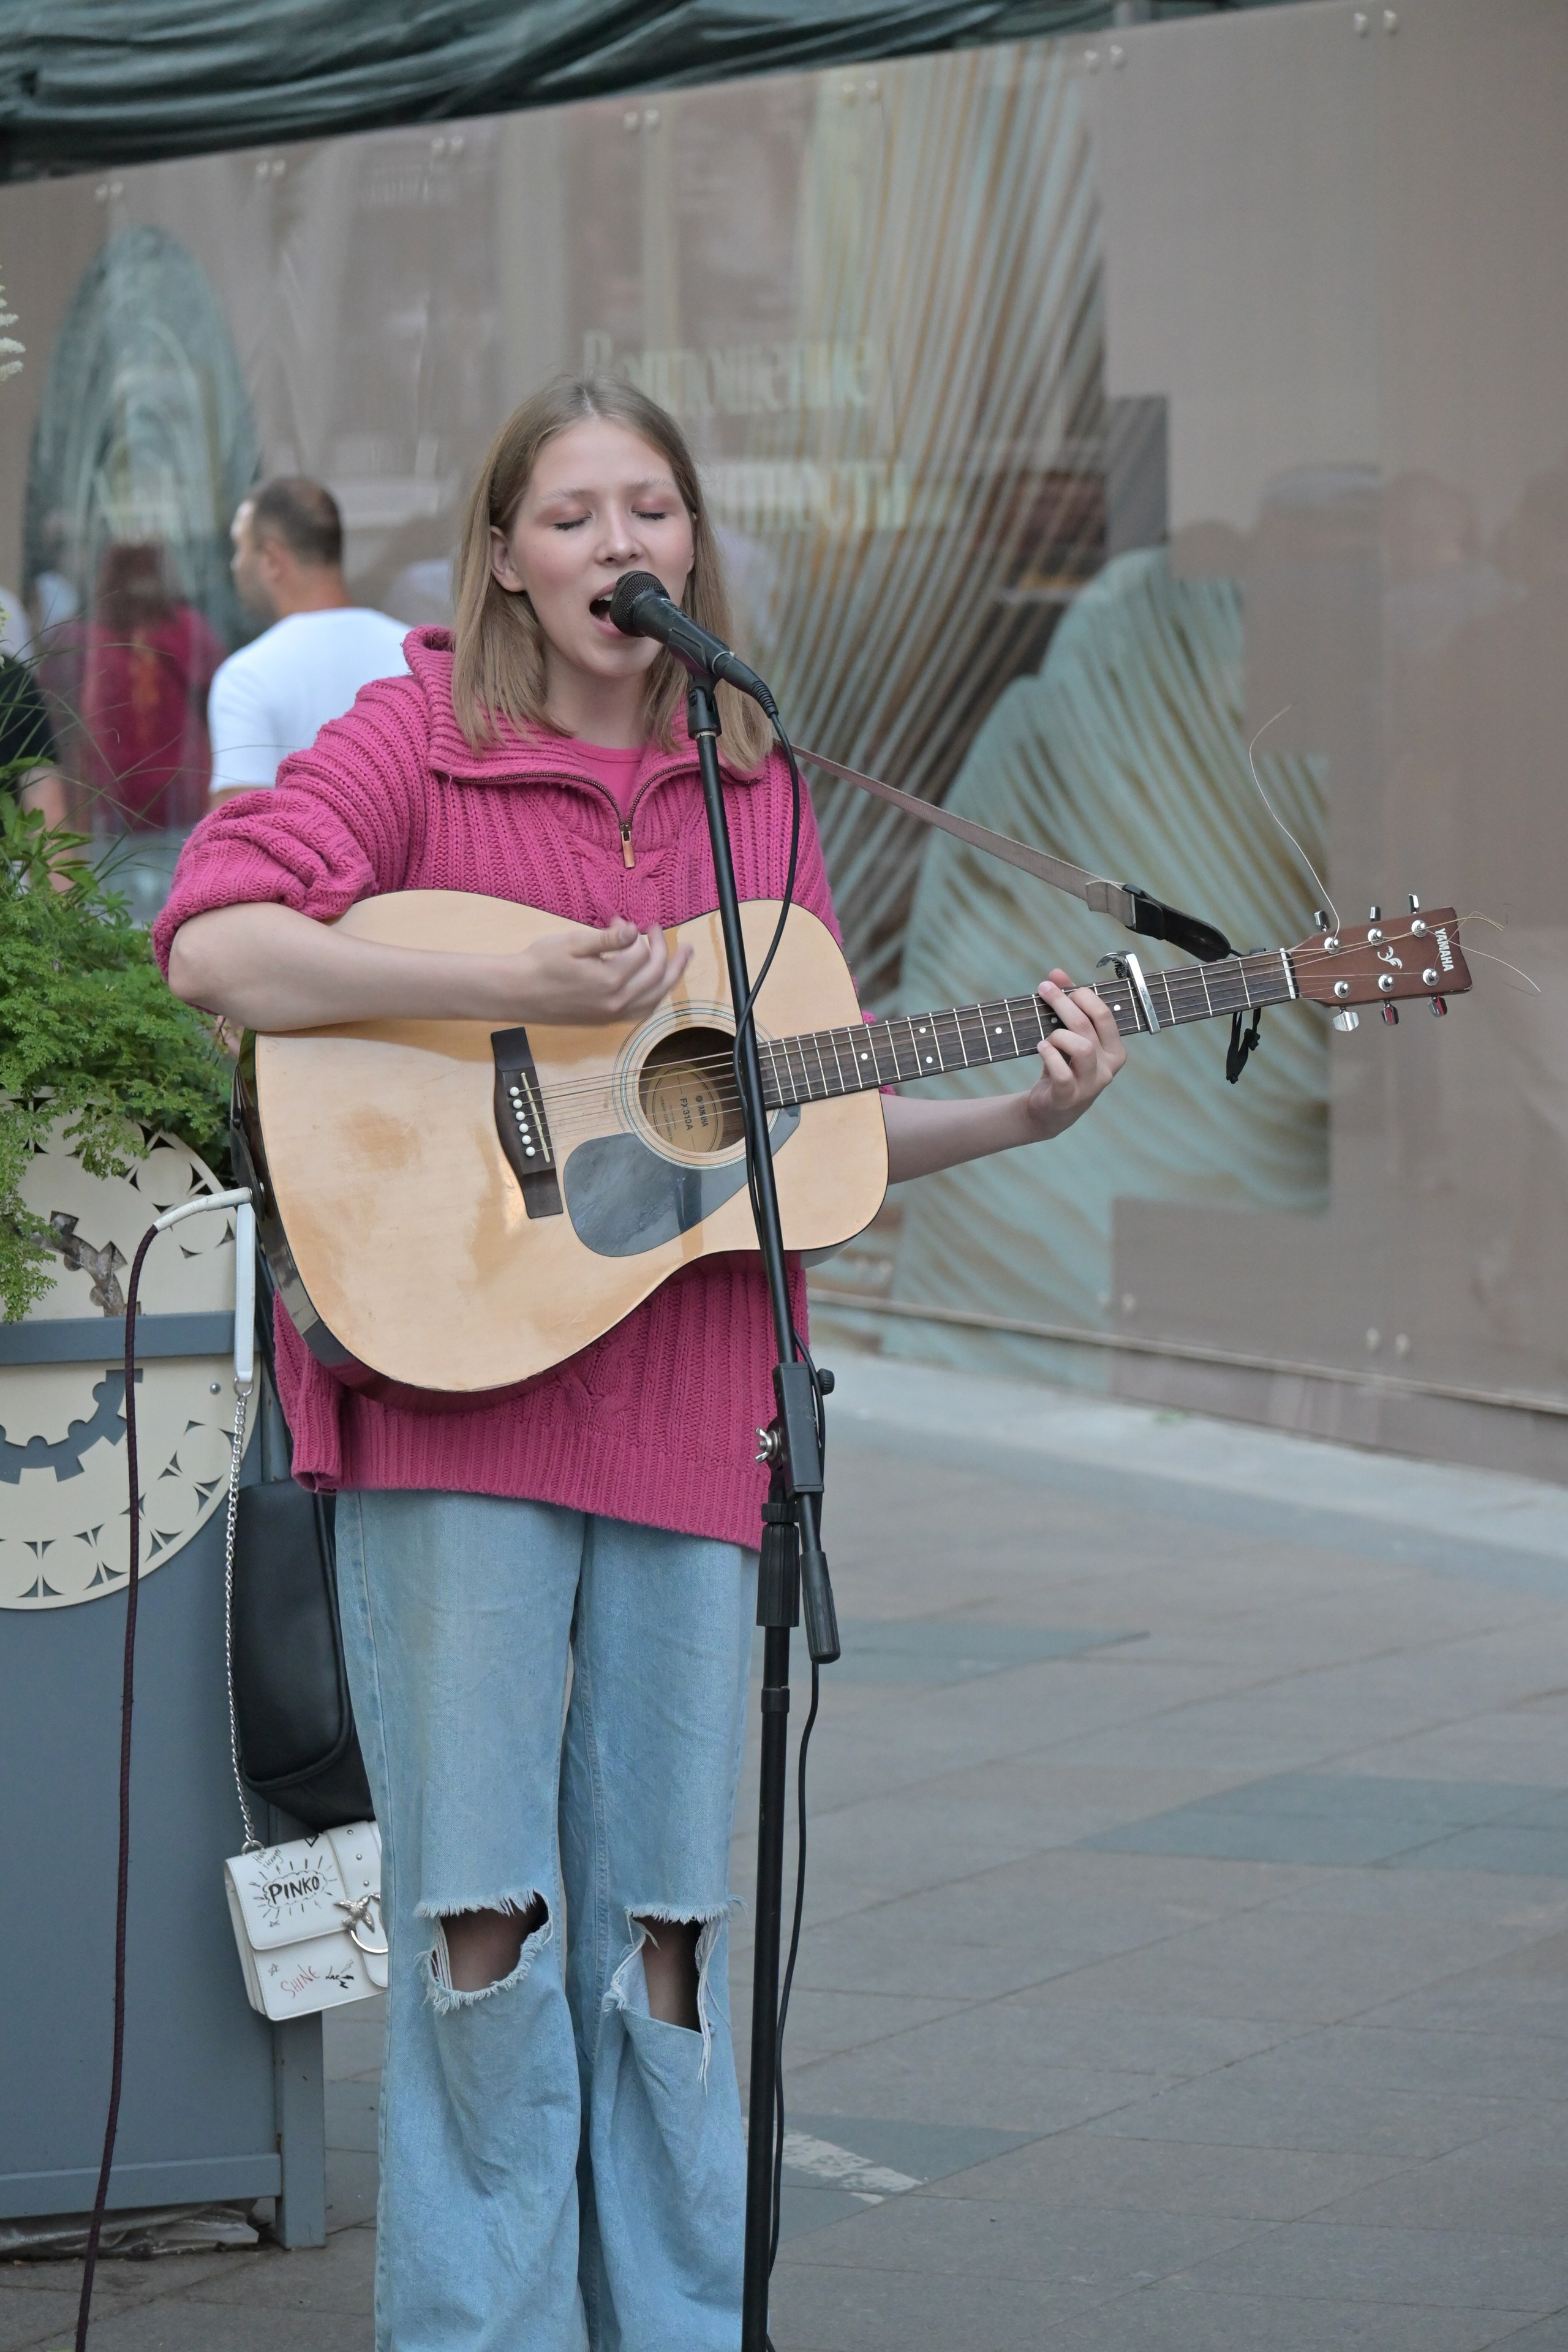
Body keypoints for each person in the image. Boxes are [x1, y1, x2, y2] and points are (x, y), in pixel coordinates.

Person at [155, 375, 1125, 2350]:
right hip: (455, 1404)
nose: (623, 544)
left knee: (671, 1935)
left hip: (691, 1409)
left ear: (695, 548)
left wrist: (1024, 1114)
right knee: (482, 1928)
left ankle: (677, 2321)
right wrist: (495, 976)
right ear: (506, 549)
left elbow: (791, 1118)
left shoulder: (749, 780)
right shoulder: (418, 731)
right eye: (578, 512)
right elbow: (217, 941)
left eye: (653, 509)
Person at [208, 477, 409, 800]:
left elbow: (235, 836)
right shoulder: (415, 653)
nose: (236, 565)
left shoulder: (246, 680)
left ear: (273, 561)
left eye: (240, 548)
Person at [78, 542, 224, 832]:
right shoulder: (90, 638)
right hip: (122, 799)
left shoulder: (188, 629)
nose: (139, 586)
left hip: (178, 797)